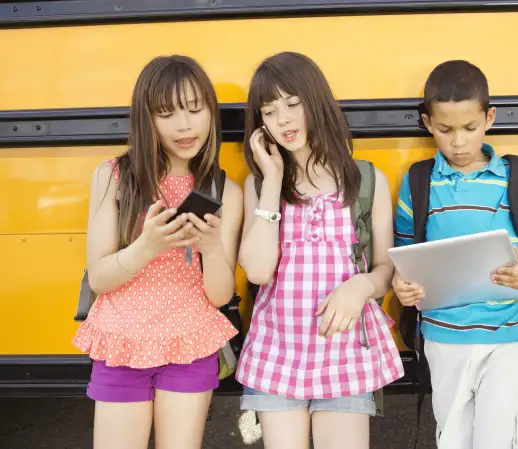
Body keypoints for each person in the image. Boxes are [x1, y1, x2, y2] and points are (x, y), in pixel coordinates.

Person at [72, 55, 244, 449]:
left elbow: (219, 296)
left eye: (194, 109)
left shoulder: (223, 191)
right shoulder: (114, 176)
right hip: (121, 341)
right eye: (167, 114)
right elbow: (99, 277)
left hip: (190, 343)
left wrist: (211, 248)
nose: (184, 125)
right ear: (146, 118)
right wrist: (146, 246)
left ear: (210, 113)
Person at [236, 51, 404, 449]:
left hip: (344, 348)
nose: (284, 120)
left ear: (317, 102)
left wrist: (360, 287)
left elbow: (385, 267)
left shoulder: (366, 181)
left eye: (293, 104)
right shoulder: (259, 185)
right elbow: (258, 272)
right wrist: (274, 177)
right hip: (278, 349)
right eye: (270, 111)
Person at [392, 59, 518, 449]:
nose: (459, 141)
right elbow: (404, 261)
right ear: (427, 122)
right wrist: (403, 287)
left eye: (470, 128)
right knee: (453, 438)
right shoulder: (418, 182)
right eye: (446, 130)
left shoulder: (515, 176)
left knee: (503, 435)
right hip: (444, 336)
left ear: (490, 118)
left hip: (514, 331)